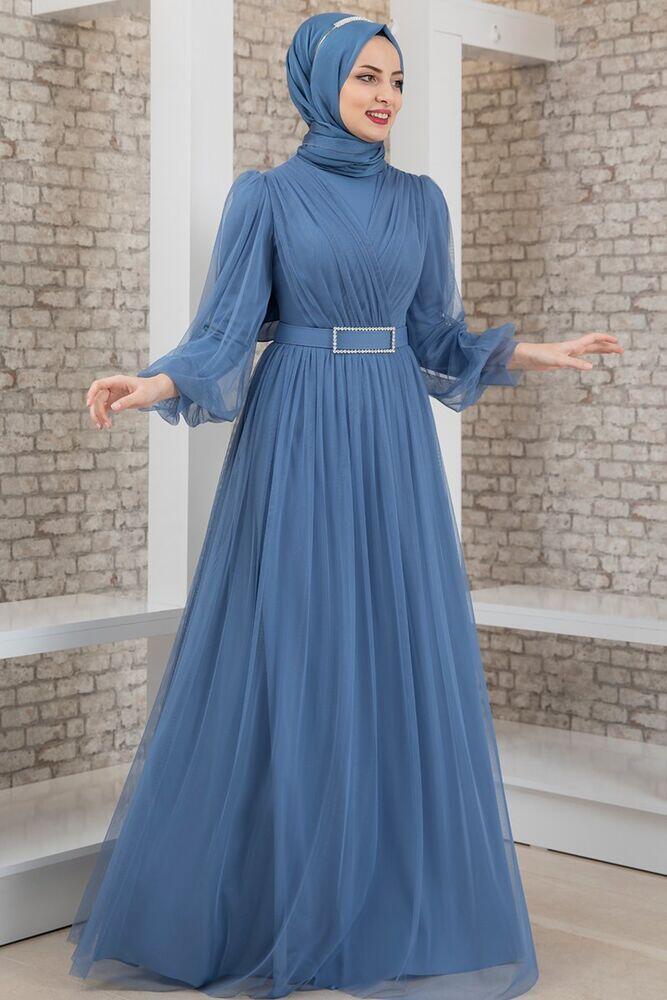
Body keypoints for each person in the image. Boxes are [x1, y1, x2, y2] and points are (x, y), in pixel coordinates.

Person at [70, 12, 623, 1000]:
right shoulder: (266, 196)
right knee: (296, 647)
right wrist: (149, 384)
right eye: (366, 75)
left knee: (385, 648)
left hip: (389, 438)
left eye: (396, 80)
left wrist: (534, 351)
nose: (385, 95)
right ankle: (272, 898)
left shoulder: (420, 202)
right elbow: (222, 335)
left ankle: (379, 902)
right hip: (296, 430)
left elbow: (438, 339)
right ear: (319, 80)